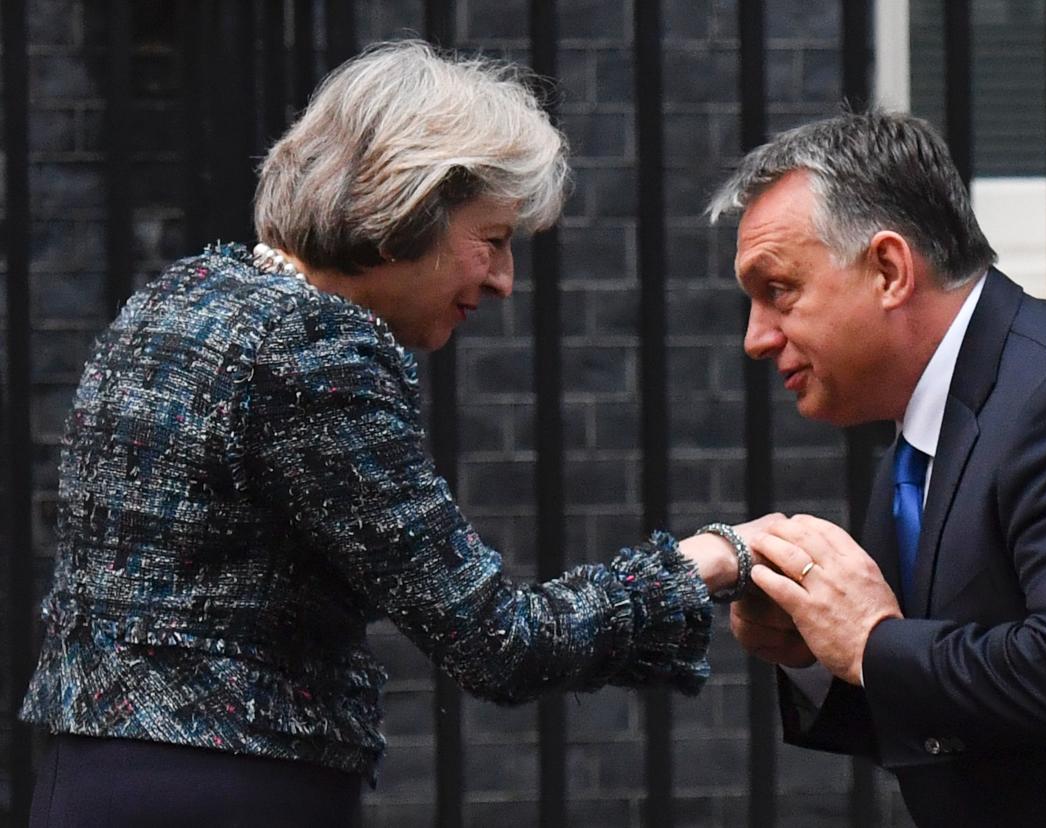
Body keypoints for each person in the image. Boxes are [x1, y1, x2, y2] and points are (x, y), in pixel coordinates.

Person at [20, 40, 770, 827]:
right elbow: (499, 641)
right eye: (495, 237)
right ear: (411, 208)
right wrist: (712, 559)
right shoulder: (313, 347)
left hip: (85, 780)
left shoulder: (176, 301)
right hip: (229, 791)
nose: (505, 280)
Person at [709, 111, 1046, 827]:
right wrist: (817, 652)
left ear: (890, 270)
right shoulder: (927, 431)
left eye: (779, 290)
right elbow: (951, 727)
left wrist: (871, 643)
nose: (756, 338)